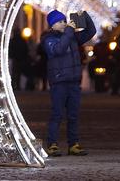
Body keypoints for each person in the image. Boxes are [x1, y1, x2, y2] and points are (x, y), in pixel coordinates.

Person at [41, 9, 96, 157]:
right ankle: (52, 144)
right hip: (59, 81)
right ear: (52, 25)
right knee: (57, 114)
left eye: (64, 21)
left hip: (73, 81)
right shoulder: (48, 39)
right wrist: (69, 31)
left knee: (73, 115)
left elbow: (91, 31)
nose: (64, 23)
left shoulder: (71, 36)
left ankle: (73, 144)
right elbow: (59, 50)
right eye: (60, 22)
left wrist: (85, 16)